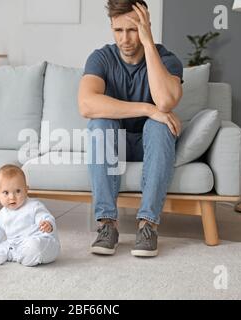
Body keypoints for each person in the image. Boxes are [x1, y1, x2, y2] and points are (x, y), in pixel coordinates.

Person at [78, 0, 184, 257]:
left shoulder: (168, 60)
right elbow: (86, 105)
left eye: (133, 30)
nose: (125, 39)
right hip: (114, 146)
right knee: (100, 124)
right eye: (118, 31)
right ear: (112, 28)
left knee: (160, 127)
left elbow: (166, 102)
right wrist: (148, 109)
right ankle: (107, 225)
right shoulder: (101, 57)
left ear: (145, 27)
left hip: (153, 144)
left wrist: (148, 44)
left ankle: (148, 225)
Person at [0, 164, 60, 267]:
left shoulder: (33, 206)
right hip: (16, 245)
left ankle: (15, 256)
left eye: (18, 191)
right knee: (0, 248)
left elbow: (44, 216)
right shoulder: (1, 215)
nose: (12, 197)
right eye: (6, 192)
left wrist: (48, 224)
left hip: (40, 241)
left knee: (34, 247)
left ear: (26, 190)